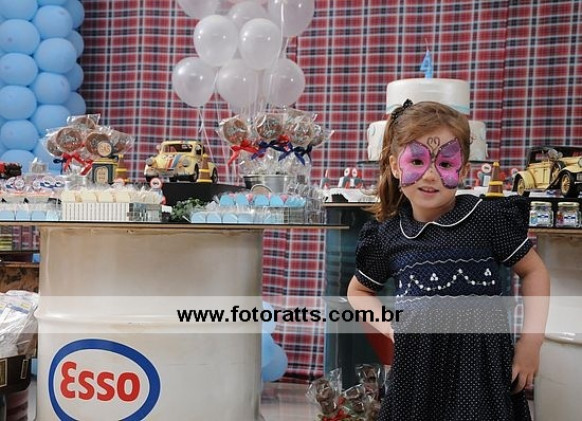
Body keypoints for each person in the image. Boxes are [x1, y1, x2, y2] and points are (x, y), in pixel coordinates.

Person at [347, 100, 550, 420]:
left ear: (463, 170)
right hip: (417, 377)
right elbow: (357, 291)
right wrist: (391, 327)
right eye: (417, 160)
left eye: (445, 163)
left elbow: (534, 271)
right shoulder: (389, 234)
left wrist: (531, 343)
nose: (430, 175)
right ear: (396, 165)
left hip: (482, 377)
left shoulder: (486, 220)